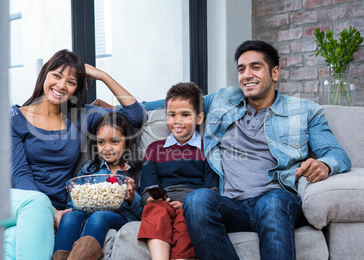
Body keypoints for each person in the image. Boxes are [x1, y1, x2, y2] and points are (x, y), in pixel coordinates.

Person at [126, 40, 351, 260]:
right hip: (231, 204)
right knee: (197, 200)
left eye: (256, 67)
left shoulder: (304, 111)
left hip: (277, 199)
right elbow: (176, 102)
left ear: (274, 73)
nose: (246, 75)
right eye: (241, 69)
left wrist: (324, 164)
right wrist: (119, 108)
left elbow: (336, 154)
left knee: (271, 203)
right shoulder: (225, 99)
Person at [9, 49, 146, 259]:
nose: (62, 85)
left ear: (77, 88)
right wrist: (50, 212)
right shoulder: (16, 118)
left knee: (72, 221)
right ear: (44, 74)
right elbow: (20, 174)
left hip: (68, 206)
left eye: (71, 81)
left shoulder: (82, 116)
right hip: (32, 203)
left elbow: (135, 117)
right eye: (57, 75)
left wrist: (102, 75)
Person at [137, 82, 219, 260]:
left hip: (191, 205)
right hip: (162, 203)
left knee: (187, 219)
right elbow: (145, 189)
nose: (177, 121)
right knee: (155, 211)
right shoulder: (154, 149)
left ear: (199, 118)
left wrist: (188, 204)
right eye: (172, 115)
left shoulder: (208, 149)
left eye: (185, 115)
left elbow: (212, 190)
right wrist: (150, 198)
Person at [53, 111, 143, 260]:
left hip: (121, 218)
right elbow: (74, 207)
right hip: (88, 215)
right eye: (101, 142)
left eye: (114, 142)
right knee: (69, 217)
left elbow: (143, 213)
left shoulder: (137, 171)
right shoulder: (89, 170)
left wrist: (132, 198)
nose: (107, 148)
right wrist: (76, 196)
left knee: (99, 216)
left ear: (127, 142)